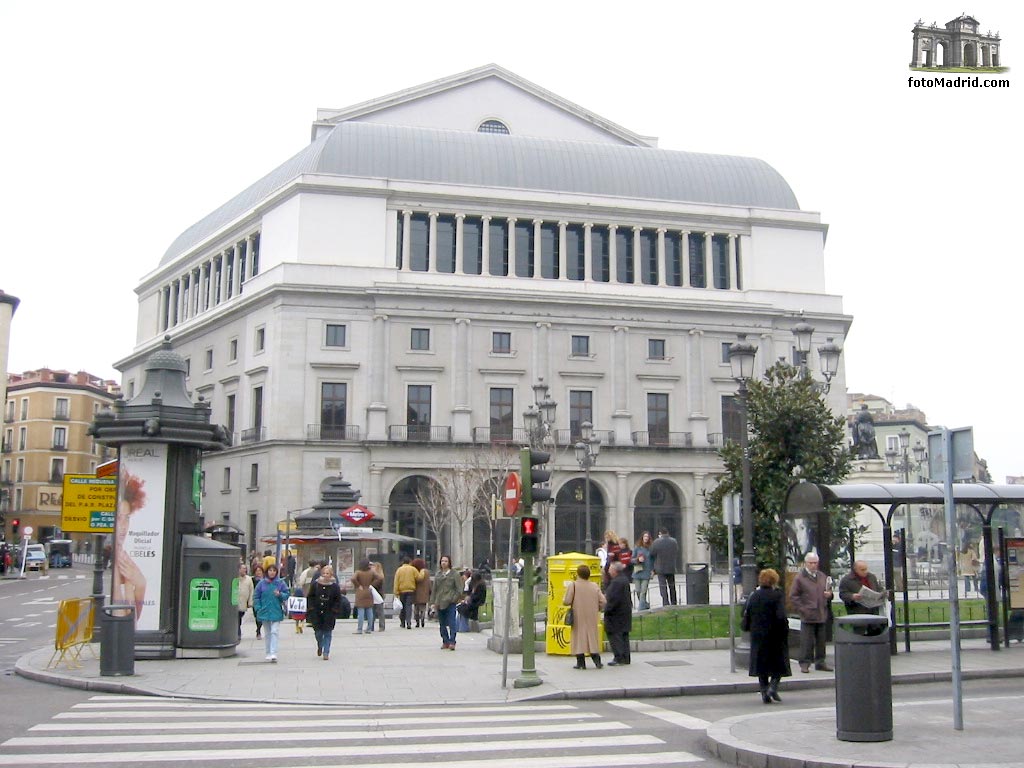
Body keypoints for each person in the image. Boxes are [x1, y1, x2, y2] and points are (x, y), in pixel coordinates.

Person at [743, 568, 790, 704]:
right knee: (779, 663)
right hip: (775, 635)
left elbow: (745, 613)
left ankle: (764, 690)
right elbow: (781, 616)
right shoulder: (777, 595)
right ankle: (773, 688)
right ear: (774, 580)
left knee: (761, 665)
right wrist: (785, 629)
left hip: (757, 635)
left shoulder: (754, 595)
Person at [788, 552, 833, 673]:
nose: (813, 565)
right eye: (811, 563)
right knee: (807, 641)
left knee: (821, 640)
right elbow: (793, 596)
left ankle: (820, 662)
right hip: (808, 614)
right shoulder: (800, 578)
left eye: (815, 563)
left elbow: (828, 591)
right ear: (806, 564)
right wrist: (803, 609)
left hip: (821, 612)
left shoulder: (822, 576)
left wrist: (829, 595)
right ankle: (804, 663)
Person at [563, 563, 606, 669]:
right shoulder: (594, 586)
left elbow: (567, 601)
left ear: (578, 574)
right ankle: (597, 661)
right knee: (591, 636)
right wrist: (598, 608)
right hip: (591, 615)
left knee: (578, 638)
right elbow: (603, 601)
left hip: (578, 615)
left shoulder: (573, 585)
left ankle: (580, 663)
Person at [253, 564, 289, 662]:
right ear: (267, 572)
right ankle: (268, 652)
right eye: (270, 570)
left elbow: (287, 594)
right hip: (264, 611)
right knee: (268, 633)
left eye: (274, 570)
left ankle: (274, 652)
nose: (272, 572)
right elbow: (256, 596)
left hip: (276, 610)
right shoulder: (261, 584)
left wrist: (280, 594)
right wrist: (258, 608)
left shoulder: (280, 583)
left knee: (274, 631)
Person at [307, 564, 342, 660]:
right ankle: (320, 645)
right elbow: (310, 596)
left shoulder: (334, 586)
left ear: (331, 575)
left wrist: (335, 609)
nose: (326, 575)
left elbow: (338, 599)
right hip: (317, 612)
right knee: (318, 633)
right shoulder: (315, 584)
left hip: (329, 612)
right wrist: (311, 608)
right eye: (324, 573)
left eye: (328, 573)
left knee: (327, 632)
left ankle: (326, 652)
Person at [432, 554, 463, 650]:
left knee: (452, 622)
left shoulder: (454, 574)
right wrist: (433, 602)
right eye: (442, 561)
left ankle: (452, 641)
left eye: (445, 561)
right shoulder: (438, 574)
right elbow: (434, 589)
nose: (444, 563)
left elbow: (459, 589)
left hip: (450, 602)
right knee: (442, 623)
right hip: (440, 602)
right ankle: (445, 641)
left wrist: (454, 598)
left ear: (449, 562)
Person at [603, 561, 632, 665]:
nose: (609, 571)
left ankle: (619, 657)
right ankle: (625, 657)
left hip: (615, 614)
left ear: (615, 571)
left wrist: (606, 609)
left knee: (616, 636)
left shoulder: (616, 582)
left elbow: (613, 599)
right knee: (623, 635)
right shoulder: (623, 579)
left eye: (610, 569)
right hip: (624, 613)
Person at [649, 528, 679, 606]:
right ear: (667, 533)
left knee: (663, 586)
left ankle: (665, 602)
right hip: (671, 567)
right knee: (672, 585)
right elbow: (676, 551)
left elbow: (652, 553)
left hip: (660, 567)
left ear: (660, 533)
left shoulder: (656, 542)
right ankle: (674, 601)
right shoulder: (674, 541)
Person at [393, 555, 421, 629]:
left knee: (402, 606)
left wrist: (396, 592)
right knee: (408, 606)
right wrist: (422, 572)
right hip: (411, 590)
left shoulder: (399, 570)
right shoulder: (413, 569)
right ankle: (408, 622)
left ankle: (402, 622)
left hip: (402, 590)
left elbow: (396, 581)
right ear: (410, 562)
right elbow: (419, 578)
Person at [350, 559, 376, 634]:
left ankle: (359, 629)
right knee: (369, 610)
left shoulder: (358, 572)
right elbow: (380, 578)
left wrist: (358, 585)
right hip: (368, 591)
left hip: (360, 592)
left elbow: (353, 578)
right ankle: (369, 628)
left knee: (361, 611)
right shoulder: (371, 572)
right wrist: (372, 585)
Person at [633, 532, 653, 610]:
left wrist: (653, 570)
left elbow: (653, 560)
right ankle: (645, 604)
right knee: (638, 590)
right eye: (645, 536)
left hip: (646, 572)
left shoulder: (651, 548)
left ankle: (640, 609)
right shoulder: (637, 547)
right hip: (638, 571)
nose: (646, 538)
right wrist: (637, 559)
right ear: (642, 537)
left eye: (647, 536)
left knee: (643, 591)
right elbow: (632, 559)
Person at [236, 563, 254, 640]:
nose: (244, 570)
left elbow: (251, 591)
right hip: (235, 602)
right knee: (236, 618)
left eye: (245, 568)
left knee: (240, 616)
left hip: (243, 602)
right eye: (243, 568)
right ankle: (237, 632)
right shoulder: (235, 579)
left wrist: (250, 602)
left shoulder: (249, 579)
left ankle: (237, 631)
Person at [412, 557, 431, 627]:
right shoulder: (426, 572)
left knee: (416, 608)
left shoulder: (414, 572)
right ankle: (422, 618)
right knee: (423, 607)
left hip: (416, 592)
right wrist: (430, 590)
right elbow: (429, 582)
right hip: (424, 592)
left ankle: (417, 621)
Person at [370, 561, 387, 631]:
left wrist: (370, 585)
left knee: (379, 611)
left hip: (378, 595)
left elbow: (374, 585)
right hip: (378, 595)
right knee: (374, 611)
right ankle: (372, 626)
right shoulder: (378, 576)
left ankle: (380, 626)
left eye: (373, 566)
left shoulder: (379, 577)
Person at [250, 565, 264, 638]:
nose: (258, 572)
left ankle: (258, 630)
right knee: (257, 616)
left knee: (261, 616)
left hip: (263, 600)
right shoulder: (252, 580)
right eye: (257, 571)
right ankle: (258, 630)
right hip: (255, 600)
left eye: (260, 571)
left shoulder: (265, 580)